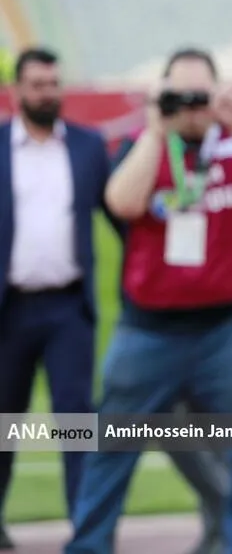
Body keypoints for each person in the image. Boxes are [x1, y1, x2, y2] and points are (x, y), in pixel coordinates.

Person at [66, 48, 232, 554]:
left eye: (199, 95)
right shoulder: (145, 144)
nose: (190, 107)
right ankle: (90, 545)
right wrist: (155, 128)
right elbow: (122, 202)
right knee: (111, 442)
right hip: (150, 328)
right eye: (178, 95)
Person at [0, 48, 113, 551]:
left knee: (77, 421)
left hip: (69, 308)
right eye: (38, 85)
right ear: (17, 91)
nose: (48, 93)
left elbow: (119, 213)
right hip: (9, 309)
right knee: (4, 420)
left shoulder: (88, 147)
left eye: (54, 84)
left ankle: (87, 529)